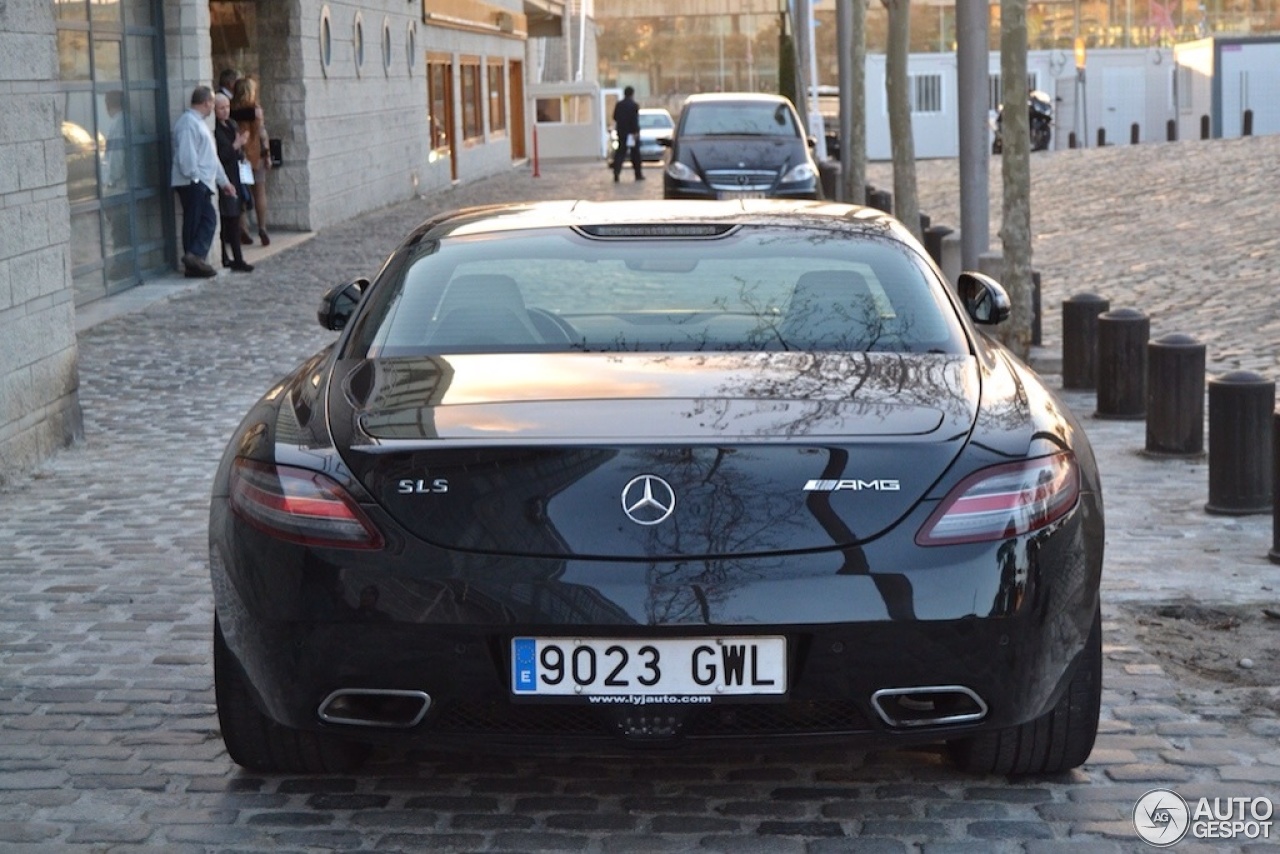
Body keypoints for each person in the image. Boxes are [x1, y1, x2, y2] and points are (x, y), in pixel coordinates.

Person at [170, 86, 236, 278]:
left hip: (201, 181)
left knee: (205, 220)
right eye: (212, 104)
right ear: (207, 102)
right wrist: (195, 177)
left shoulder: (199, 124)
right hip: (192, 182)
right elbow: (187, 154)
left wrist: (224, 182)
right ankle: (194, 259)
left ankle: (194, 258)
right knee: (198, 220)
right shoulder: (188, 123)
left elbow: (211, 158)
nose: (212, 109)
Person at [213, 94, 253, 273]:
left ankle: (237, 258)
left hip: (235, 176)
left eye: (227, 107)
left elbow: (237, 151)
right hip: (223, 177)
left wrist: (241, 148)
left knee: (235, 219)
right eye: (221, 108)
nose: (225, 111)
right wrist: (235, 146)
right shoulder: (214, 129)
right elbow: (219, 155)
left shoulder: (231, 125)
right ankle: (225, 257)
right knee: (225, 219)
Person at [231, 77, 271, 246]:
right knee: (259, 192)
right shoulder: (256, 110)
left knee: (241, 193)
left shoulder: (231, 110)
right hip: (257, 155)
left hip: (241, 155)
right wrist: (267, 154)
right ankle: (262, 227)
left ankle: (244, 228)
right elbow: (262, 133)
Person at [612, 86, 643, 183]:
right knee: (635, 154)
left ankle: (616, 173)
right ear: (632, 94)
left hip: (622, 133)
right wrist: (636, 131)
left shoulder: (619, 105)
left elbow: (615, 117)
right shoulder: (634, 105)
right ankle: (638, 174)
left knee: (620, 153)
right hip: (631, 134)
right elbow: (634, 120)